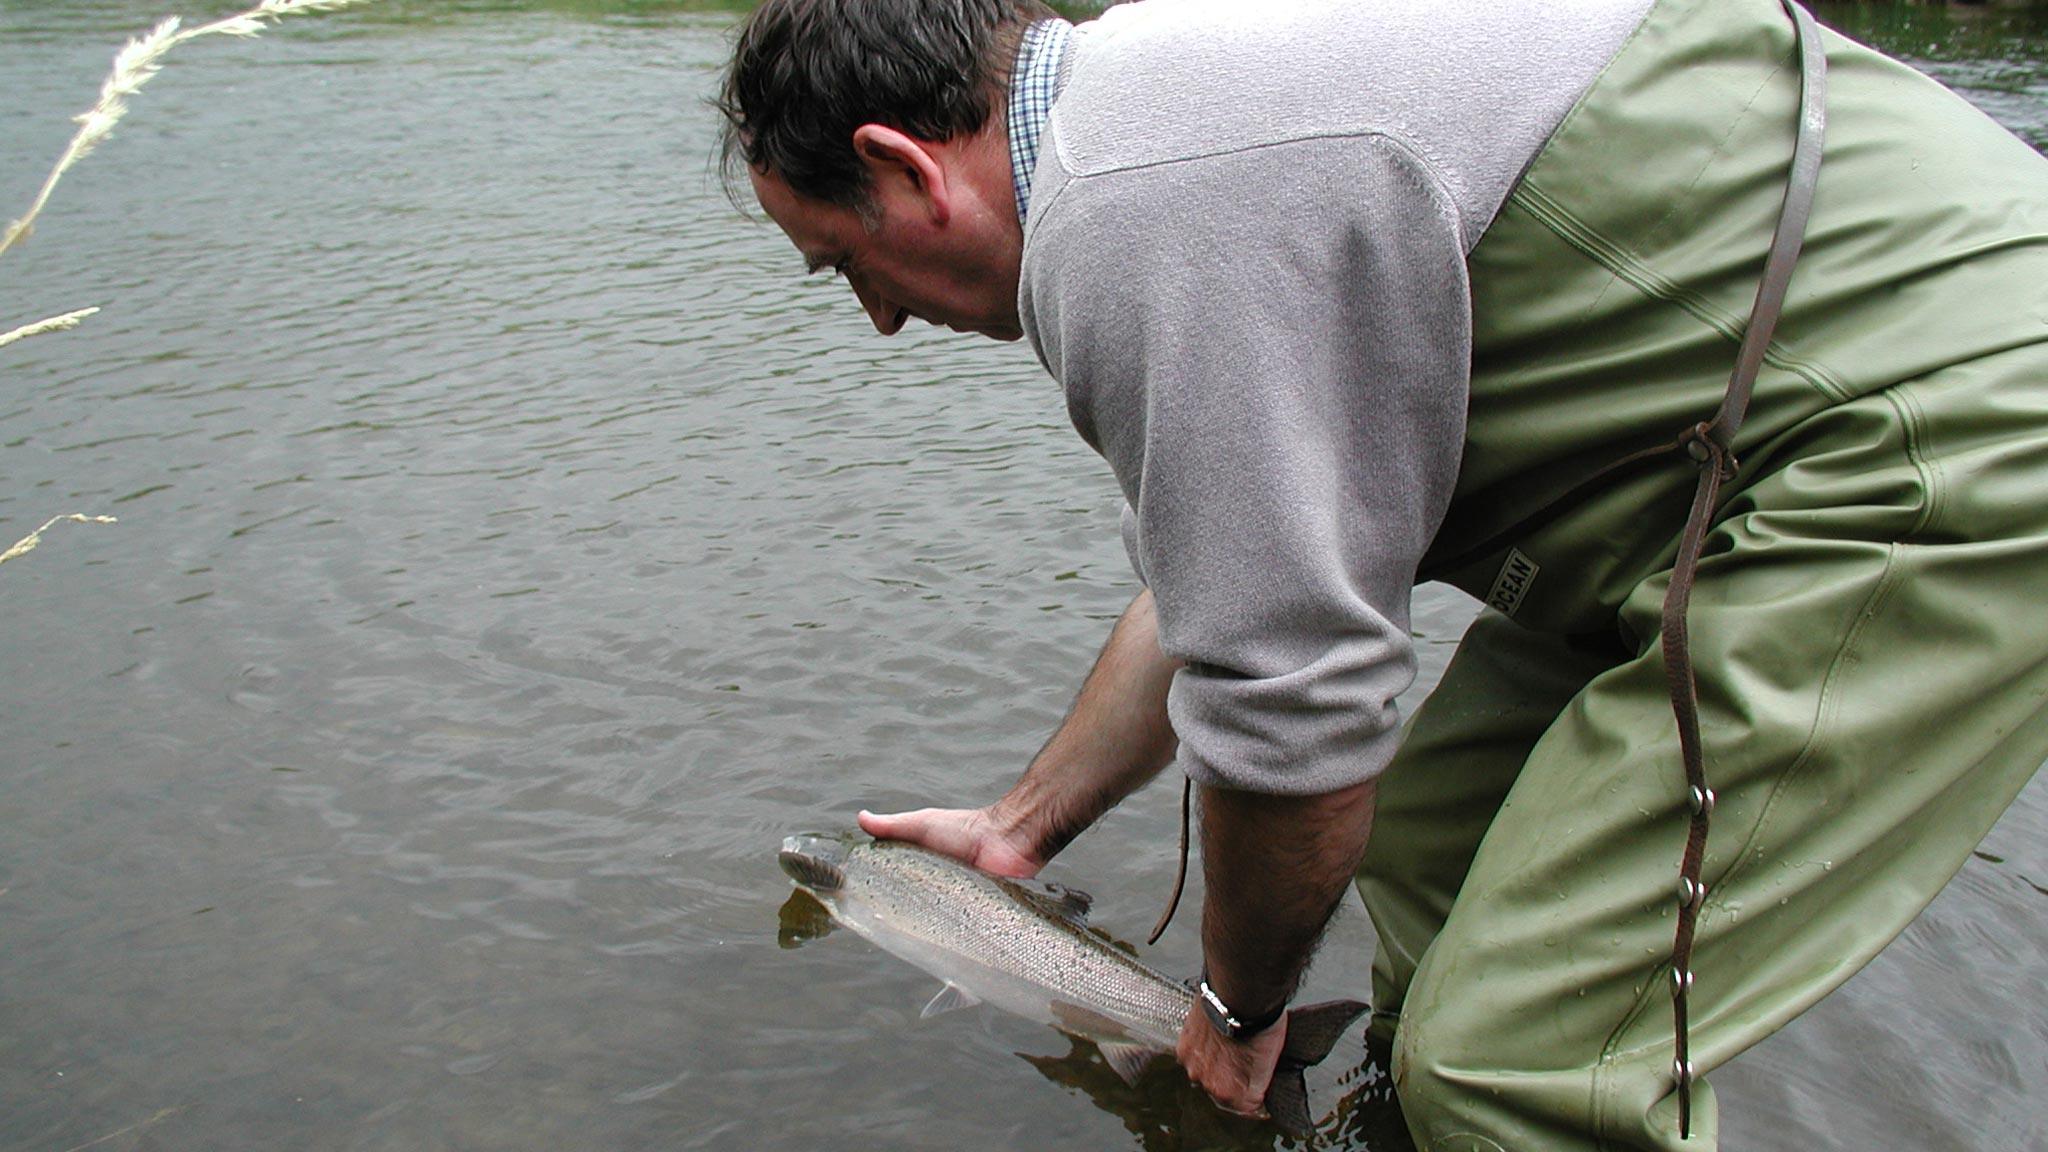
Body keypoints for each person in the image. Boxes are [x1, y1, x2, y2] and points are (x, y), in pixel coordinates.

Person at [715, 0, 2048, 1147]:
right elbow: (1229, 584)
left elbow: (1292, 715)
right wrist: (1023, 830)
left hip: (1932, 429)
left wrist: (1238, 1015)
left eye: (845, 267)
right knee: (1426, 857)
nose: (882, 318)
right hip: (1729, 441)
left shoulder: (1126, 216)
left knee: (1515, 1062)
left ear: (901, 164)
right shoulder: (1161, 102)